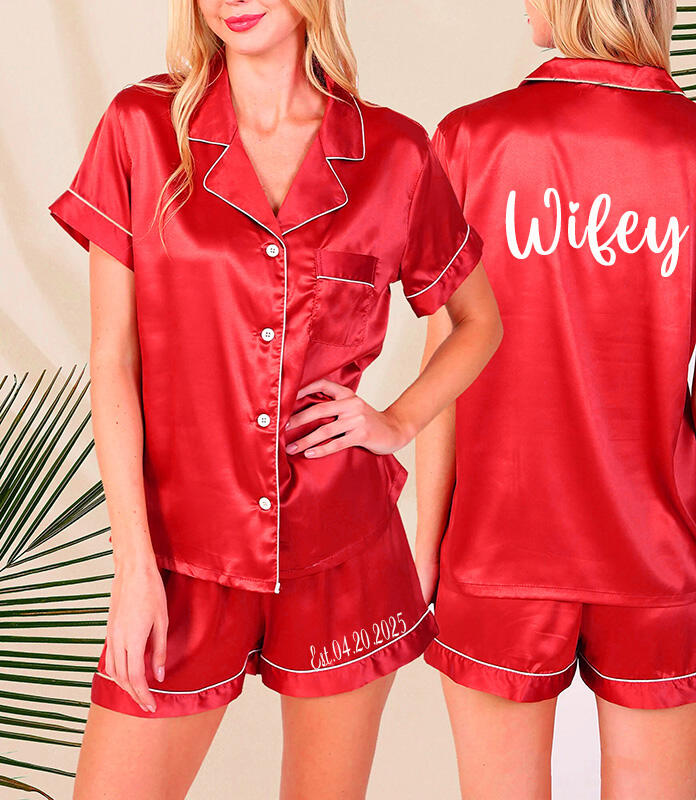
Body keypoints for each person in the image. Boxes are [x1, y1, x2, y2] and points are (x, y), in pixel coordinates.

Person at [49, 1, 502, 797]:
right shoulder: (139, 129)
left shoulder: (394, 153)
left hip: (343, 549)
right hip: (181, 553)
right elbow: (112, 359)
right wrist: (133, 568)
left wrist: (397, 420)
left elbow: (479, 323)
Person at [415, 1, 696, 798]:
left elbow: (442, 376)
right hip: (662, 562)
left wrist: (423, 556)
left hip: (495, 556)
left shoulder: (468, 141)